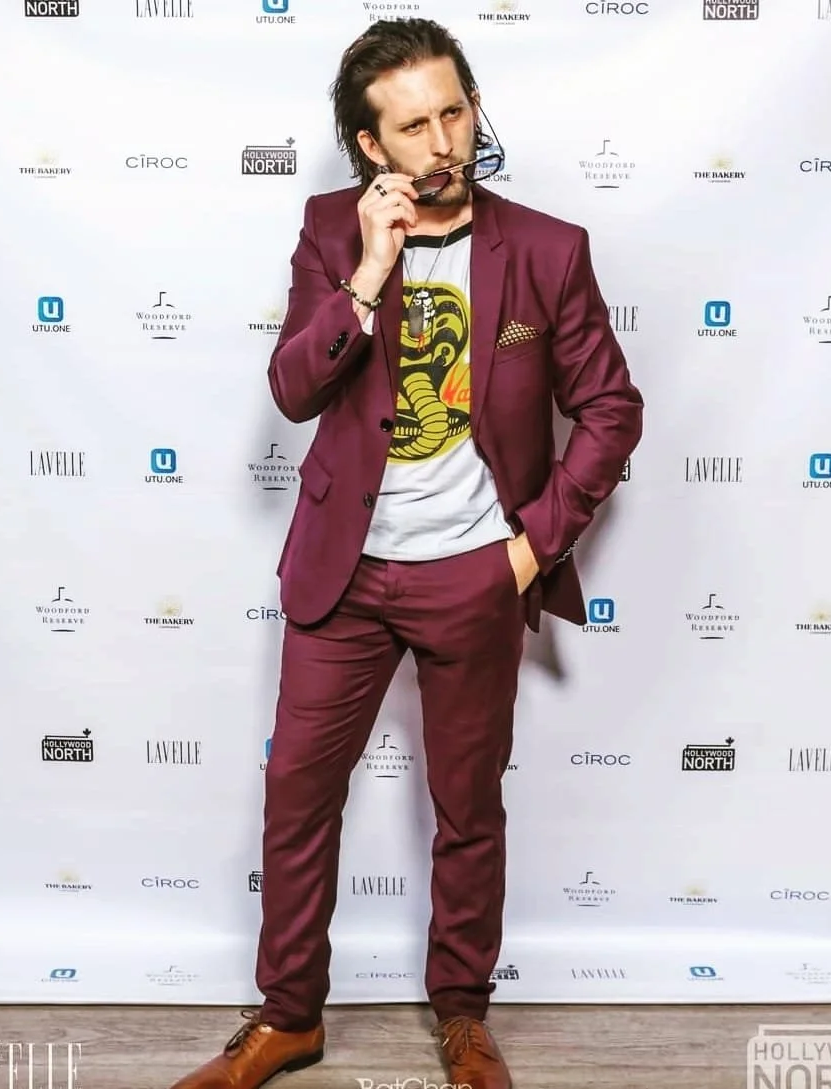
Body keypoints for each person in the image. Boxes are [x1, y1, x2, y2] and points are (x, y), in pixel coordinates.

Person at [170, 17, 642, 1089]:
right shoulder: (332, 230)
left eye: (454, 112)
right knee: (297, 793)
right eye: (413, 126)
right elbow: (294, 392)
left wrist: (530, 550)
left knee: (468, 807)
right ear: (371, 146)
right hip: (344, 573)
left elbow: (611, 408)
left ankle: (465, 1017)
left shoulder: (548, 248)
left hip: (474, 571)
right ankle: (289, 1017)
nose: (443, 142)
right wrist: (371, 275)